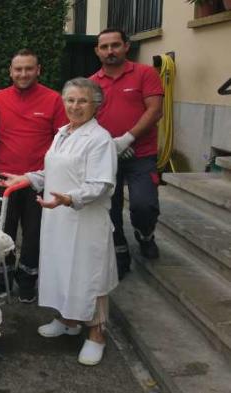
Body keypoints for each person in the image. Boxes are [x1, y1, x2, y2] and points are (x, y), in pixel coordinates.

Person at [2, 77, 118, 366]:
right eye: (70, 100)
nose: (75, 106)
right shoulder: (62, 132)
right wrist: (28, 178)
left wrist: (69, 198)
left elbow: (100, 184)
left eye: (82, 101)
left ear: (95, 105)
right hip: (58, 217)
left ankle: (96, 335)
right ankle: (67, 320)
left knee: (88, 275)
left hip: (85, 220)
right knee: (60, 268)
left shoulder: (100, 139)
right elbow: (52, 169)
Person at [0, 49, 67, 303]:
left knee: (34, 233)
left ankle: (27, 280)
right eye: (18, 69)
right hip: (4, 178)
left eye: (28, 68)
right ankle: (3, 278)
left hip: (39, 180)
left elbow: (64, 139)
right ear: (10, 72)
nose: (23, 74)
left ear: (38, 70)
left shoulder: (53, 100)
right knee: (2, 231)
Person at [90, 28, 164, 279]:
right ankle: (119, 252)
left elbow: (155, 110)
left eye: (115, 45)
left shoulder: (145, 73)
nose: (110, 51)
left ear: (126, 47)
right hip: (105, 156)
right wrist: (109, 145)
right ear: (97, 51)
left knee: (144, 204)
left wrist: (128, 138)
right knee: (109, 208)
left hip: (141, 153)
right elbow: (87, 119)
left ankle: (145, 234)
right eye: (104, 47)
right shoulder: (92, 83)